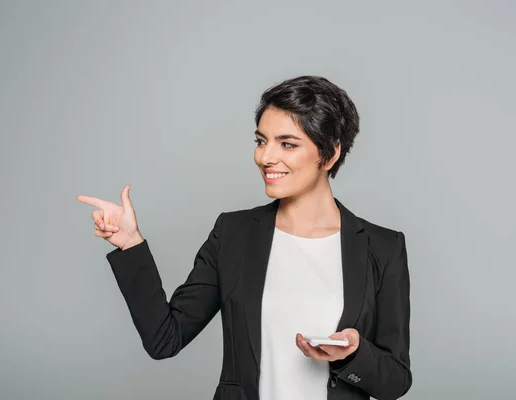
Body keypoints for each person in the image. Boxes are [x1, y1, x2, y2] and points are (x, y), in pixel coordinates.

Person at [77, 76, 412, 400]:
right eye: (261, 140)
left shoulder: (382, 248)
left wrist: (353, 354)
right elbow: (165, 339)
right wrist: (130, 244)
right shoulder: (233, 235)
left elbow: (395, 382)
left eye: (287, 144)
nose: (265, 157)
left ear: (330, 153)